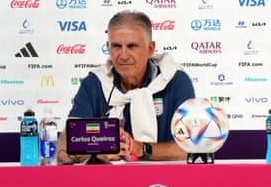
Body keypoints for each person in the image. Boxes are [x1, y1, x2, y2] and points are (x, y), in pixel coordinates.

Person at [57, 10, 195, 163]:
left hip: (163, 180)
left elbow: (189, 147)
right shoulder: (95, 83)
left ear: (150, 49)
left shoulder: (175, 80)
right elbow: (64, 148)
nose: (123, 55)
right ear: (108, 47)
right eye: (116, 46)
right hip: (108, 181)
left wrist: (138, 148)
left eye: (132, 46)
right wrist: (97, 152)